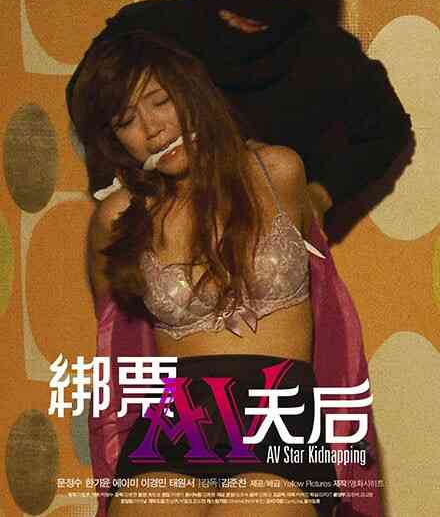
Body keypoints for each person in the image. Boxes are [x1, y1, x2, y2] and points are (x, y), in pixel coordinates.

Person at [71, 31, 382, 517]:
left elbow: (331, 314)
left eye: (160, 101)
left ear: (191, 92)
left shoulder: (278, 171)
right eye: (126, 121)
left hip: (280, 417)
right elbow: (117, 338)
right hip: (176, 420)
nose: (151, 129)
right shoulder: (119, 218)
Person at [67, 0, 412, 230]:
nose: (250, 9)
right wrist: (133, 187)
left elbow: (388, 131)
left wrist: (319, 196)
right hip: (162, 245)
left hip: (270, 248)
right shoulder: (145, 32)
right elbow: (87, 102)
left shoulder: (328, 56)